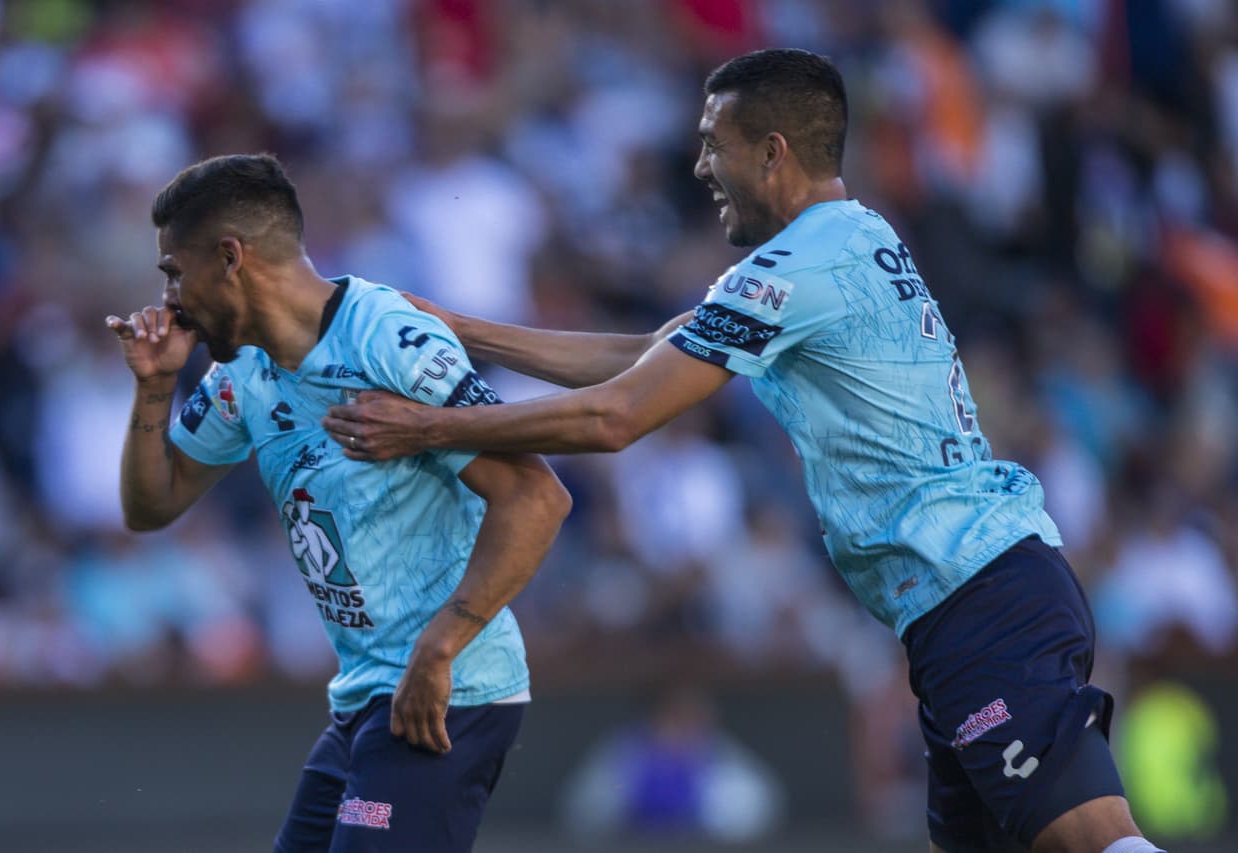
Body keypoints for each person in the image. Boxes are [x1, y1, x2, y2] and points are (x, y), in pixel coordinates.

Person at [322, 50, 1165, 853]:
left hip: (980, 596)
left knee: (1092, 837)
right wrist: (460, 329)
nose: (698, 168)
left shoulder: (794, 267)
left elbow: (617, 417)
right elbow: (647, 358)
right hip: (971, 596)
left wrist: (429, 426)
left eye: (710, 145)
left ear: (771, 152)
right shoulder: (846, 239)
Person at [106, 153, 571, 853]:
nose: (171, 298)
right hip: (365, 698)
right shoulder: (245, 372)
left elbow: (538, 498)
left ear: (230, 257)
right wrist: (153, 389)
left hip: (448, 693)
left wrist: (439, 648)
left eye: (175, 270)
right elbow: (153, 505)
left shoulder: (387, 341)